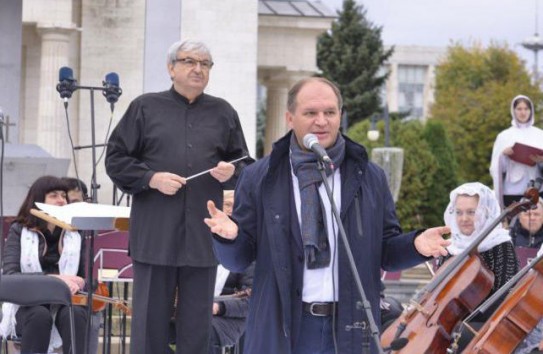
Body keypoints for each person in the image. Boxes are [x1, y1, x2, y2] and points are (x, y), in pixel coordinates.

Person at [204, 77, 451, 354]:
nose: (321, 121)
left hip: (349, 330)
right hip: (282, 330)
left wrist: (416, 245)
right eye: (310, 113)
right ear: (290, 118)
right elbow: (238, 260)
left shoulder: (369, 177)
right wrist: (230, 237)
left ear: (340, 116)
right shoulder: (260, 176)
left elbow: (386, 251)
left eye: (330, 112)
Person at [105, 39, 251, 354]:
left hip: (203, 237)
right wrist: (151, 178)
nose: (198, 69)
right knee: (149, 329)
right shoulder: (144, 107)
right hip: (155, 235)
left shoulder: (224, 112)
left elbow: (243, 163)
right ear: (171, 68)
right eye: (189, 61)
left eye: (205, 64)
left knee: (197, 329)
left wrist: (231, 172)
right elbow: (116, 159)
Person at [0, 175, 88, 354]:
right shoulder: (19, 230)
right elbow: (10, 275)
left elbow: (83, 276)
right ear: (39, 199)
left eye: (63, 195)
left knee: (77, 315)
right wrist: (55, 279)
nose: (61, 200)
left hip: (63, 302)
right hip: (26, 303)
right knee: (39, 314)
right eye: (54, 195)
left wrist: (82, 281)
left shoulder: (76, 233)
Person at [439, 182, 519, 350]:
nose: (464, 218)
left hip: (483, 325)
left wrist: (461, 321)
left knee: (459, 338)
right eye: (459, 212)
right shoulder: (451, 246)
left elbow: (504, 299)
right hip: (447, 322)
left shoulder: (501, 245)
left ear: (485, 212)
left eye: (471, 212)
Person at [490, 95, 543, 210]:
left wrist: (540, 161)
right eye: (519, 109)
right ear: (513, 110)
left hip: (537, 190)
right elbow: (496, 168)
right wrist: (504, 155)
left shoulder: (540, 134)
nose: (523, 112)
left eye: (526, 109)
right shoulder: (504, 136)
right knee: (514, 224)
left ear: (531, 110)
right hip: (512, 190)